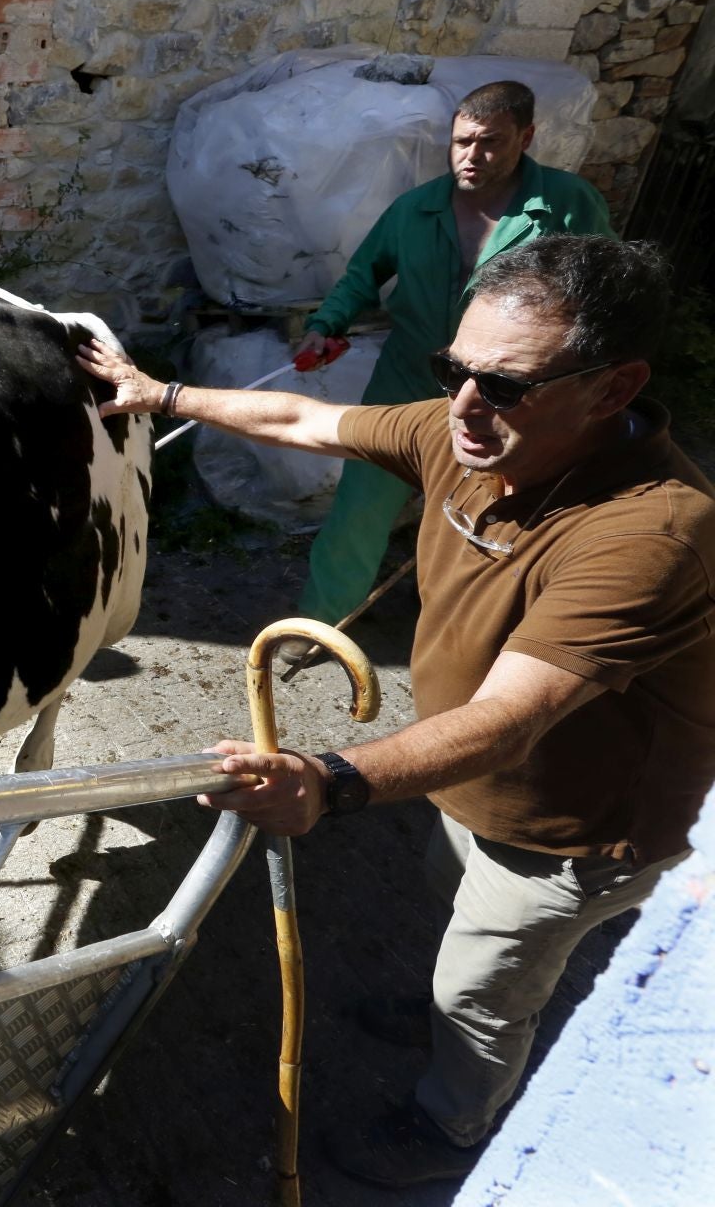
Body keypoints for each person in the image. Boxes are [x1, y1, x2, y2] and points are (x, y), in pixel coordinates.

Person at [76, 235, 715, 1188]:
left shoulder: (652, 533)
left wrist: (331, 780)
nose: (462, 405)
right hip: (469, 783)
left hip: (571, 829)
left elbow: (511, 718)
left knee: (482, 992)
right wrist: (159, 394)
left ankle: (454, 1124)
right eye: (451, 370)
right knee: (448, 900)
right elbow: (303, 416)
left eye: (503, 384)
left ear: (613, 389)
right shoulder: (474, 436)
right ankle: (446, 1019)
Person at [288, 81, 616, 650]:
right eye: (462, 141)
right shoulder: (415, 209)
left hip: (507, 389)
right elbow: (363, 274)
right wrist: (327, 324)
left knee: (494, 504)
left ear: (526, 137)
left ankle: (475, 625)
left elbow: (604, 288)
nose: (471, 156)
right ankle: (322, 623)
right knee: (361, 502)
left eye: (490, 142)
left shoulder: (566, 204)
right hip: (408, 376)